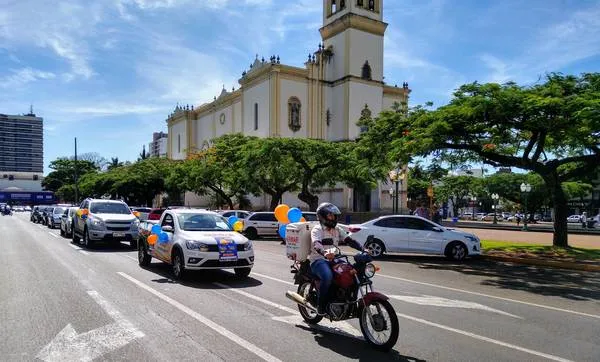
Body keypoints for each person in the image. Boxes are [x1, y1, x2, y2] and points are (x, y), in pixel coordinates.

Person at [309, 202, 363, 315]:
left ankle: (345, 299)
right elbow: (317, 244)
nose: (333, 218)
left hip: (334, 259)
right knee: (327, 276)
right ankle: (321, 305)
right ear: (323, 216)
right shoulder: (317, 230)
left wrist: (363, 248)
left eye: (334, 215)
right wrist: (324, 253)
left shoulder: (337, 229)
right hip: (319, 260)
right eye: (330, 215)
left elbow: (349, 241)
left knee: (351, 272)